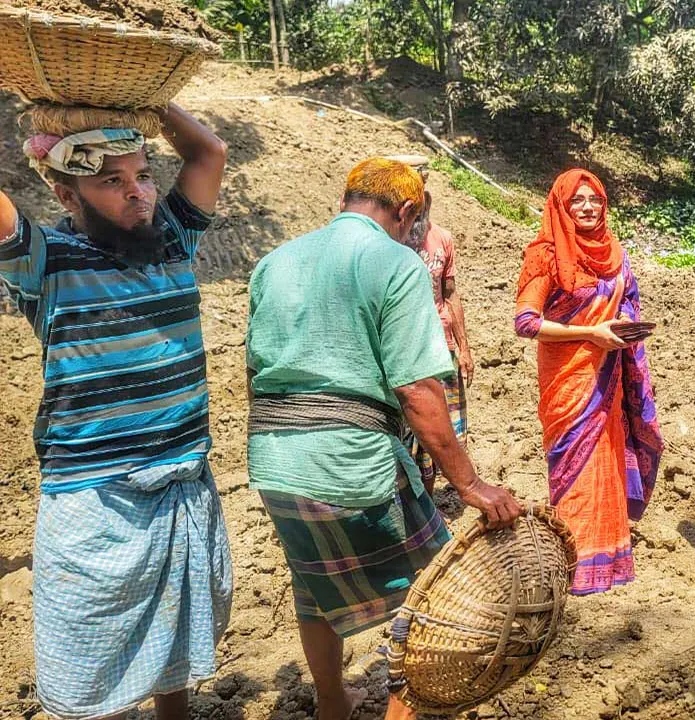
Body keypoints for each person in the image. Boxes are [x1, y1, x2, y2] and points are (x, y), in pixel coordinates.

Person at [246, 158, 522, 720]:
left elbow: (253, 370)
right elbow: (419, 387)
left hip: (274, 461)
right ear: (407, 212)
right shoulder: (395, 263)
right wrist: (469, 483)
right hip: (351, 463)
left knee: (313, 583)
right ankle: (403, 712)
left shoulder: (274, 262)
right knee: (428, 589)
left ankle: (331, 704)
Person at [0, 105, 232, 720]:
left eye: (143, 175)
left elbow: (208, 153)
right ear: (65, 195)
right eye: (111, 181)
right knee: (88, 659)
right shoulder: (45, 259)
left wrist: (148, 104)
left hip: (182, 475)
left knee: (176, 644)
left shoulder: (173, 238)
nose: (138, 193)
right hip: (96, 496)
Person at [514, 168, 664, 595]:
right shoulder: (545, 254)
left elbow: (629, 299)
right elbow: (525, 322)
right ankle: (575, 563)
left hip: (609, 376)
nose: (586, 207)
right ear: (561, 205)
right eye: (577, 200)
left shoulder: (616, 252)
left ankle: (610, 559)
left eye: (594, 199)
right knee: (575, 466)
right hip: (569, 382)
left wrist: (624, 326)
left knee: (607, 464)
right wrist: (590, 333)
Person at [399, 177, 473, 494]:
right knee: (410, 432)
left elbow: (450, 292)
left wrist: (465, 348)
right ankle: (414, 501)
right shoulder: (392, 244)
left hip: (442, 348)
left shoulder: (442, 239)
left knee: (440, 433)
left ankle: (427, 503)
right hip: (405, 351)